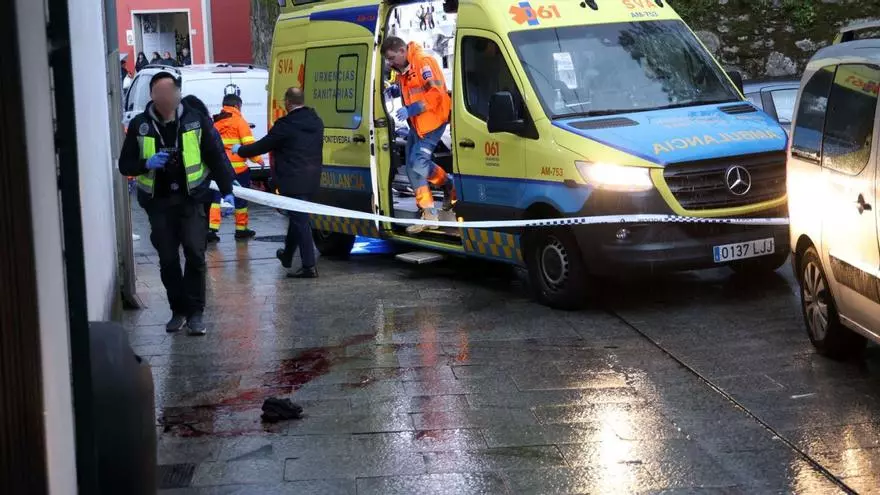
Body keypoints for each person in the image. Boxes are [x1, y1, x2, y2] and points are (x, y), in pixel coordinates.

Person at [118, 71, 235, 335]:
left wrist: (227, 188)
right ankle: (178, 310)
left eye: (169, 92)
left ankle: (196, 313)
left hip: (190, 200)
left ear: (178, 93)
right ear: (152, 95)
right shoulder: (140, 125)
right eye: (159, 93)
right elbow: (125, 164)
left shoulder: (195, 120)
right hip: (158, 203)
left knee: (195, 255)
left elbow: (215, 155)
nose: (165, 98)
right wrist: (146, 163)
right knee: (168, 259)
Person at [233, 87, 323, 278]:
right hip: (312, 177)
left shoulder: (286, 125)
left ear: (288, 102)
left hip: (293, 179)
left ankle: (309, 266)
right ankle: (288, 255)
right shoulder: (316, 121)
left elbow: (262, 146)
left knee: (300, 221)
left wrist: (239, 150)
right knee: (297, 218)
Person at [382, 36, 456, 234]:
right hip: (417, 124)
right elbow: (412, 89)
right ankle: (429, 213)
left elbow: (436, 93)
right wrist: (394, 91)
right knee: (412, 168)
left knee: (417, 162)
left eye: (391, 58)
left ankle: (449, 184)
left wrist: (412, 109)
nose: (390, 63)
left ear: (402, 51)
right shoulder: (405, 68)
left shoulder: (423, 62)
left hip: (433, 120)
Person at [208, 93, 264, 241]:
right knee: (241, 199)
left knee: (215, 199)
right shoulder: (240, 122)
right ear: (237, 106)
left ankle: (211, 230)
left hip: (219, 168)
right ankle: (241, 229)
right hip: (239, 170)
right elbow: (249, 146)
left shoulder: (216, 122)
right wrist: (258, 160)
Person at [181, 94, 237, 226]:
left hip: (184, 187)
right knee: (200, 222)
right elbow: (219, 156)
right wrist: (229, 178)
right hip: (203, 185)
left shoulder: (180, 126)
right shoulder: (207, 127)